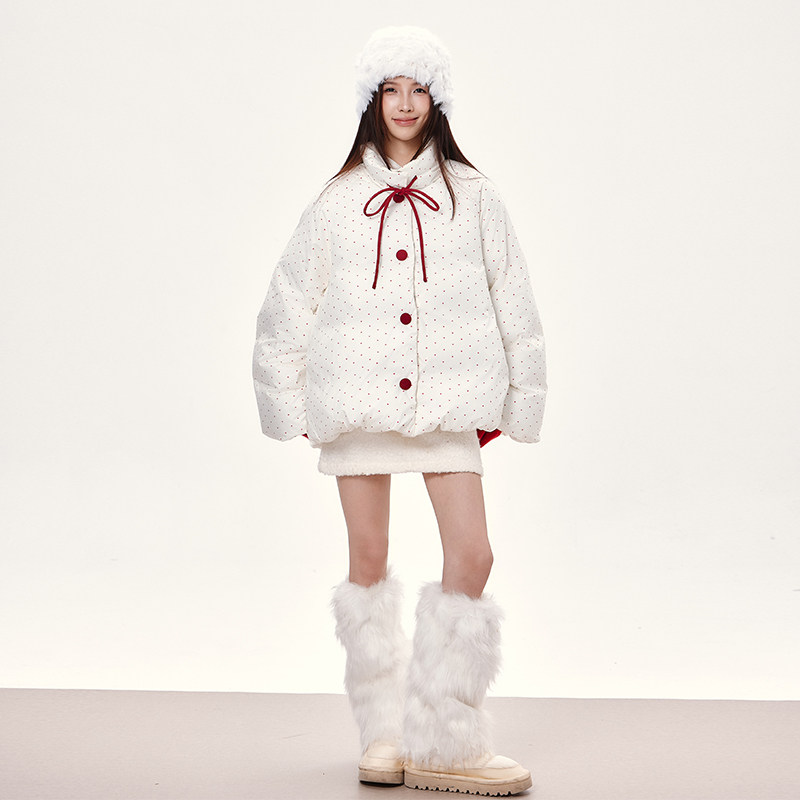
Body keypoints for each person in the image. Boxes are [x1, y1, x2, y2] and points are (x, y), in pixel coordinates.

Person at [252, 25, 546, 797]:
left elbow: (514, 300)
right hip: (358, 404)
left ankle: (446, 736)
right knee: (369, 560)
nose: (406, 104)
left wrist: (522, 399)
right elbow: (288, 303)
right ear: (372, 101)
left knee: (473, 556)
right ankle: (384, 734)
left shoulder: (475, 197)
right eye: (392, 90)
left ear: (436, 100)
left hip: (446, 409)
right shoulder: (337, 201)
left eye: (419, 89)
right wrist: (288, 402)